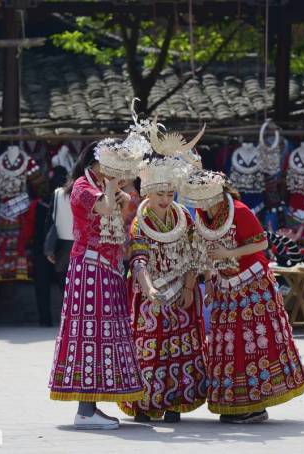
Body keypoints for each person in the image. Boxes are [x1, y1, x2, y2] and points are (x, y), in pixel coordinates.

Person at [182, 170, 304, 423]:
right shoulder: (203, 216)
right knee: (229, 345)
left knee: (252, 344)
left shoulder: (239, 211)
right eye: (198, 200)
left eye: (205, 198)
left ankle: (256, 405)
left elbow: (262, 243)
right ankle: (237, 403)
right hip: (225, 285)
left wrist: (231, 251)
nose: (202, 204)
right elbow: (205, 251)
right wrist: (209, 280)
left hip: (252, 284)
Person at [49, 135, 146, 430]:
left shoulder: (104, 186)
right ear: (98, 162)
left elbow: (129, 205)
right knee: (89, 335)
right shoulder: (82, 187)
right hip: (89, 268)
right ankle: (84, 410)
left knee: (103, 337)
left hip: (107, 268)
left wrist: (120, 185)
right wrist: (115, 184)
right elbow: (105, 208)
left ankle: (90, 407)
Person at [118, 153, 208, 422]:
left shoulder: (184, 217)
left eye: (170, 193)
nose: (165, 199)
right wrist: (149, 290)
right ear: (148, 190)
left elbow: (195, 253)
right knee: (149, 347)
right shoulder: (140, 221)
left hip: (182, 288)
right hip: (151, 294)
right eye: (160, 193)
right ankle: (143, 403)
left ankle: (175, 402)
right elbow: (139, 259)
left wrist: (190, 288)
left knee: (179, 347)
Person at [44, 166, 74, 326]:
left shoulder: (57, 194)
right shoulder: (89, 192)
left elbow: (50, 221)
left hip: (62, 245)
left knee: (65, 287)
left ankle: (67, 320)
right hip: (82, 244)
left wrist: (49, 247)